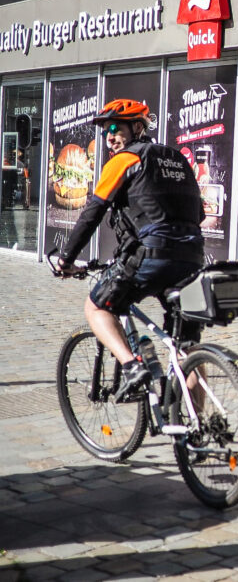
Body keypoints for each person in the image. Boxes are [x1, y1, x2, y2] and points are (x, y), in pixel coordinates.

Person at [57, 99, 205, 401]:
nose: (109, 136)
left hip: (150, 255)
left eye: (115, 128)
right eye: (105, 131)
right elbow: (199, 215)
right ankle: (196, 432)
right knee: (188, 348)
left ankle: (132, 365)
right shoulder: (178, 159)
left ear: (137, 127)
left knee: (97, 307)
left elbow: (93, 212)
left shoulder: (125, 159)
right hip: (192, 259)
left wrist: (66, 259)